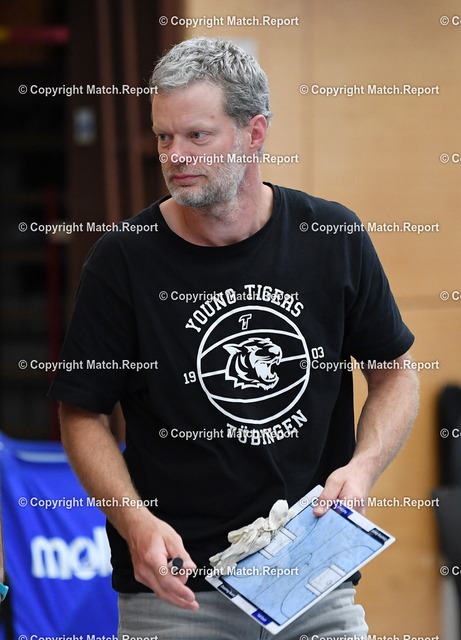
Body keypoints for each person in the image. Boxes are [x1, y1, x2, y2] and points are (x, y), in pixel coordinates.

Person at [49, 37, 419, 639]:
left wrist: (364, 468)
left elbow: (395, 372)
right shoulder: (122, 261)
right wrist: (136, 524)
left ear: (255, 133)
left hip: (311, 578)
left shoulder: (331, 236)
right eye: (163, 136)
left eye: (197, 135)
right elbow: (80, 413)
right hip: (177, 594)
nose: (174, 155)